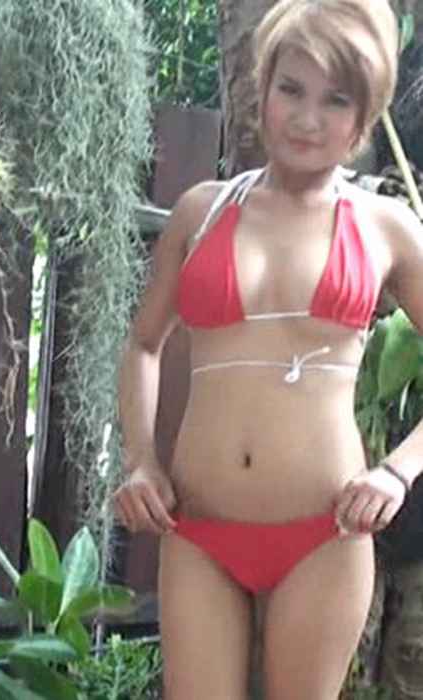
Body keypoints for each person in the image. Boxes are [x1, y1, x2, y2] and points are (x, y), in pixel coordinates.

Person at [114, 1, 423, 698]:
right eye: (291, 89)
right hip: (199, 532)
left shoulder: (387, 227)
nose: (307, 118)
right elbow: (142, 344)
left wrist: (397, 473)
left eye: (334, 100)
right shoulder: (201, 211)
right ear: (263, 89)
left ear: (364, 113)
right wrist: (140, 460)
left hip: (325, 536)